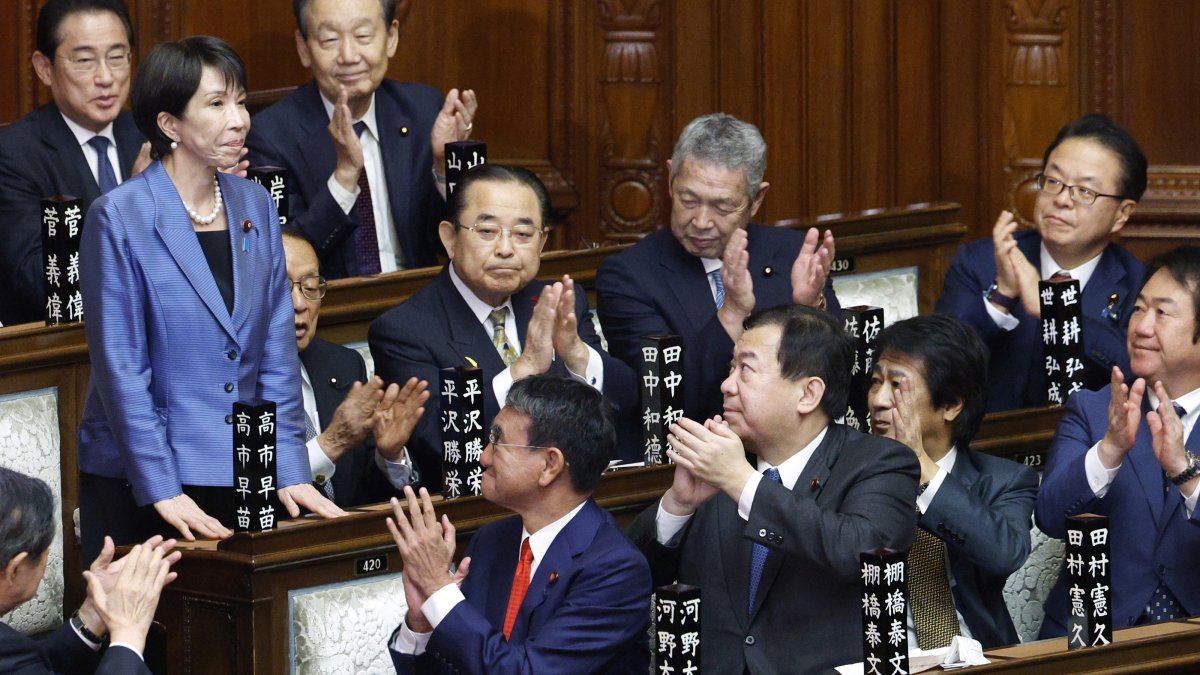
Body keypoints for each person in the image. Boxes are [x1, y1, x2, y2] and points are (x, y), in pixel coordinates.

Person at [77, 36, 344, 566]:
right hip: (141, 477)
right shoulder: (120, 216)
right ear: (170, 125)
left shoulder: (256, 204)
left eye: (241, 101)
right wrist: (161, 486)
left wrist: (288, 465)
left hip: (241, 465)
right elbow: (121, 370)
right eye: (217, 104)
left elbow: (275, 354)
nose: (240, 119)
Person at [627, 304, 919, 674]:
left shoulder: (878, 463)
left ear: (808, 394)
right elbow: (624, 582)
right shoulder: (719, 465)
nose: (726, 385)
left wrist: (740, 482)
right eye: (730, 368)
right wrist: (679, 505)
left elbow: (861, 552)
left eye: (745, 369)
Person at [368, 164, 638, 487]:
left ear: (541, 243)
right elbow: (443, 447)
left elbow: (629, 401)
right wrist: (521, 370)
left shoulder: (559, 300)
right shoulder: (403, 330)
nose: (506, 249)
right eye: (487, 232)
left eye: (523, 234)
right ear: (450, 238)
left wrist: (578, 355)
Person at [386, 374, 652, 673]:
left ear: (549, 464)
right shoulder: (492, 541)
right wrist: (423, 621)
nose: (484, 456)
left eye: (497, 441)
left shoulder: (615, 569)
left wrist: (439, 588)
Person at [596, 112, 839, 422]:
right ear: (670, 180)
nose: (701, 222)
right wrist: (733, 314)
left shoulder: (792, 254)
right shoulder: (629, 277)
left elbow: (839, 378)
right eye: (689, 199)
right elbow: (665, 399)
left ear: (756, 199)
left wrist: (810, 309)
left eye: (722, 206)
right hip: (693, 451)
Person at [246, 0, 478, 277]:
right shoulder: (271, 135)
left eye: (363, 36)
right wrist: (344, 178)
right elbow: (283, 258)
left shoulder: (422, 110)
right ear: (304, 47)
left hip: (417, 298)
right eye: (330, 39)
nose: (348, 55)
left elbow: (448, 235)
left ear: (391, 38)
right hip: (332, 307)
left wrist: (444, 168)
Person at [1036, 246, 1200, 636]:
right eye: (1139, 308)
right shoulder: (1094, 410)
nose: (1141, 326)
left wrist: (1186, 474)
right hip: (1090, 642)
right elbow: (1050, 516)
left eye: (1162, 313)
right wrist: (1109, 449)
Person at [936, 113, 1147, 411]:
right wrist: (1000, 298)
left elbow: (1140, 371)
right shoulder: (981, 262)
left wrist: (1054, 309)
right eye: (1053, 181)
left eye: (1085, 191)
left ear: (1122, 214)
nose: (1062, 199)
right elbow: (937, 363)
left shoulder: (1140, 285)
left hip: (1092, 453)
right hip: (988, 447)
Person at [868, 314, 1038, 649]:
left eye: (897, 385)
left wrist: (921, 469)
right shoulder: (849, 471)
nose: (878, 400)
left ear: (950, 405)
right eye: (875, 382)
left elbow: (1004, 555)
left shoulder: (1005, 481)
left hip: (978, 658)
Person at [0, 0, 145, 326]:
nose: (106, 77)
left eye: (117, 57)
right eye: (84, 61)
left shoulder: (152, 135)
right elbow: (38, 278)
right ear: (44, 68)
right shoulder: (14, 156)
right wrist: (133, 200)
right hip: (70, 348)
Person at [283, 229, 430, 506]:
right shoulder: (222, 382)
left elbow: (362, 496)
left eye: (311, 288)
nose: (299, 304)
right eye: (281, 286)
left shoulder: (342, 364)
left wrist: (389, 456)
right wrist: (328, 445)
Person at [0, 466, 180, 674]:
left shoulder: (10, 649)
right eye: (45, 551)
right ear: (15, 568)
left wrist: (92, 613)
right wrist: (128, 636)